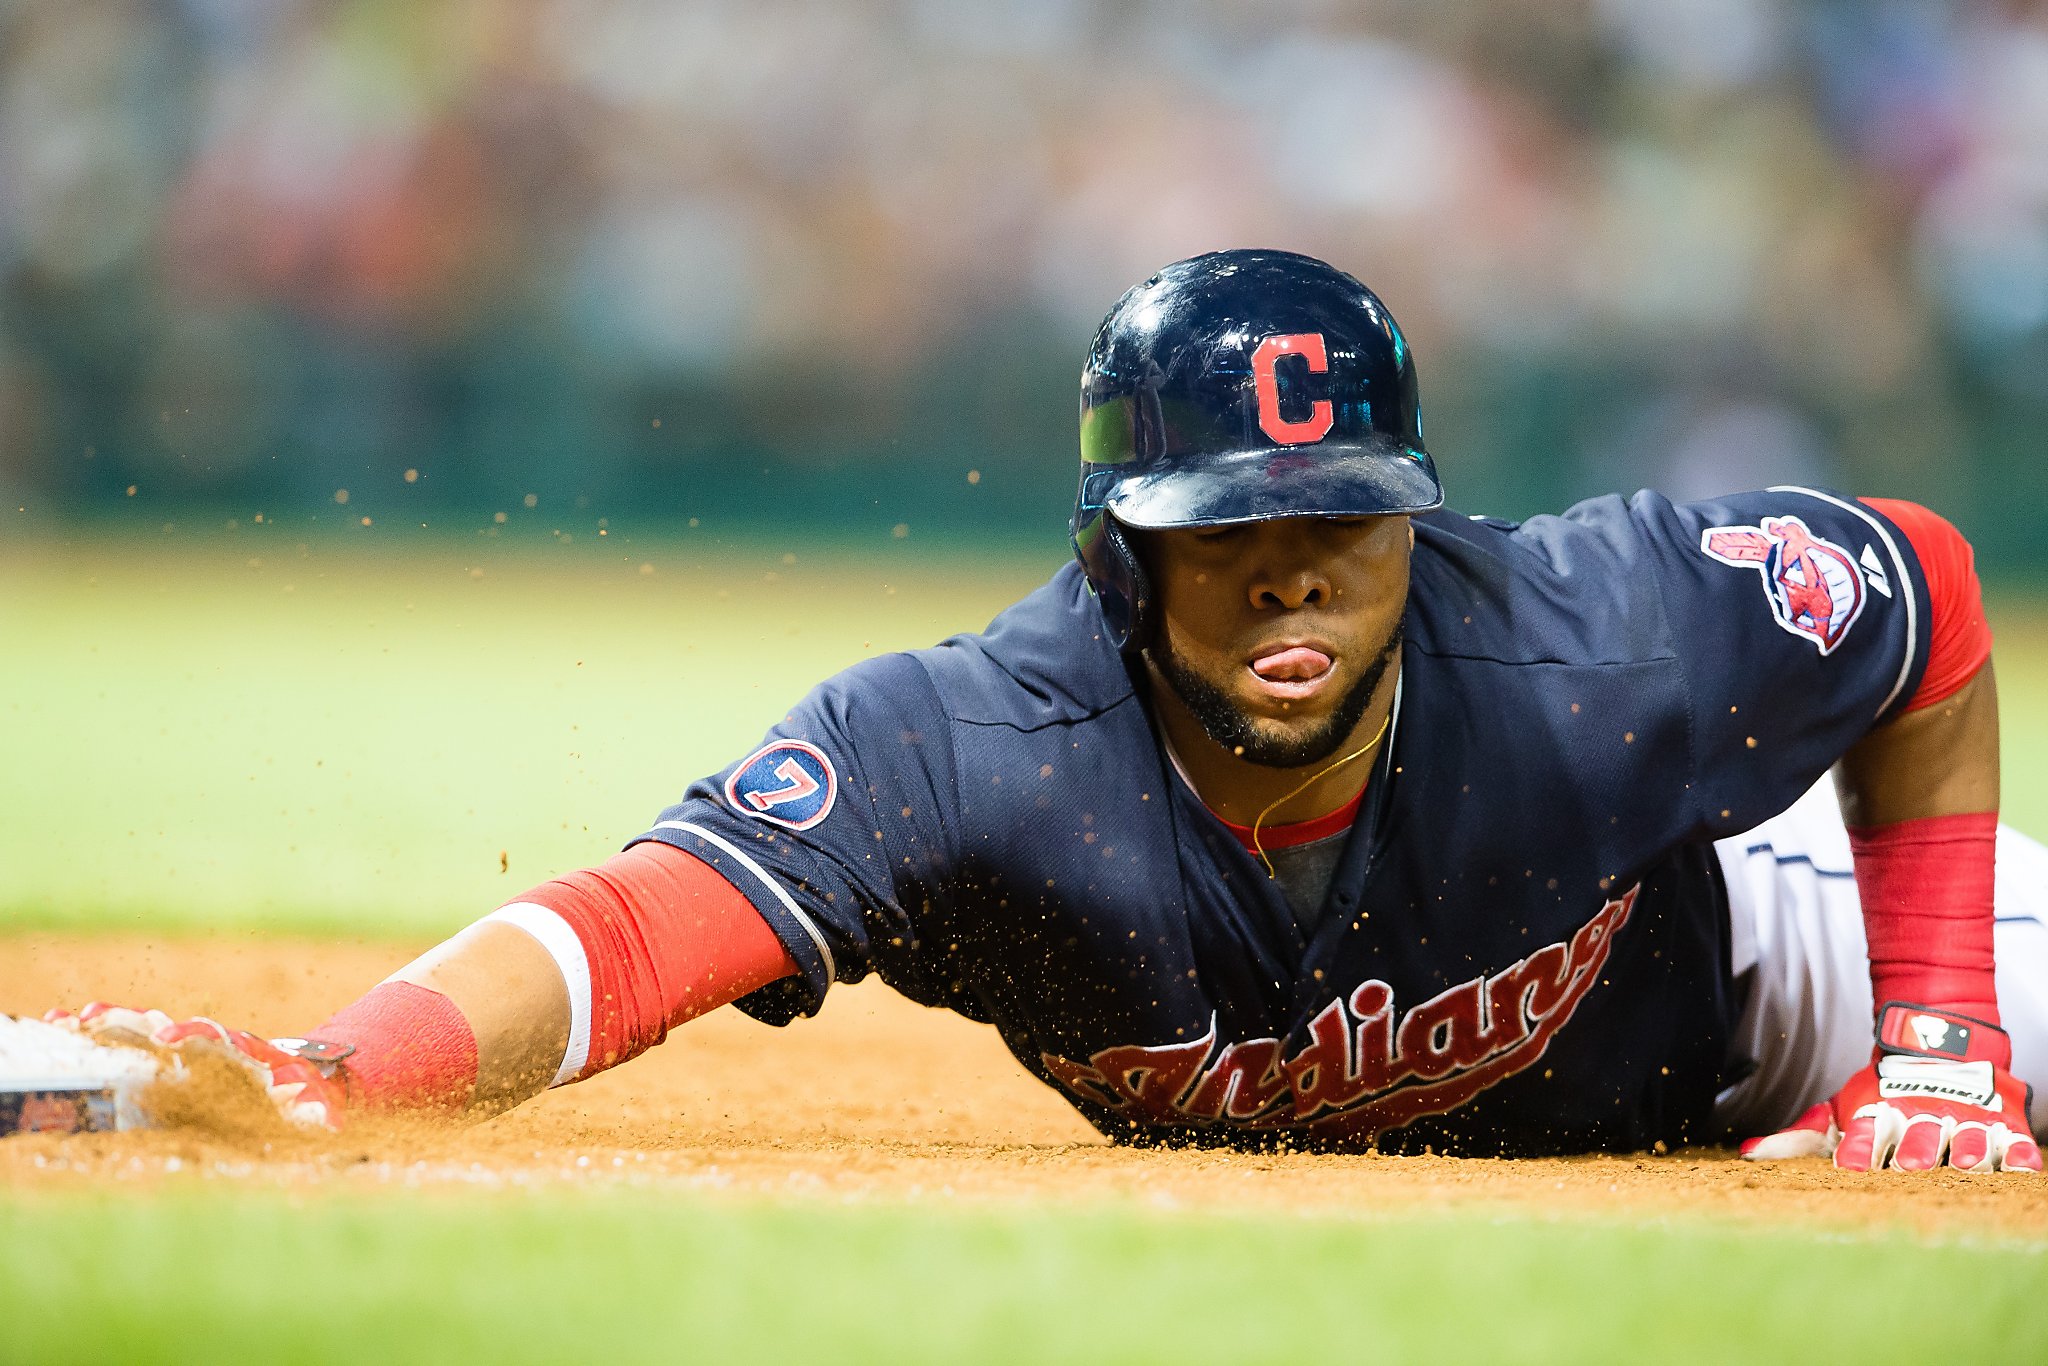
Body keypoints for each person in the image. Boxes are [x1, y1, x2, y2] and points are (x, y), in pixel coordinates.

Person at [57, 249, 2046, 1172]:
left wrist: (1939, 1035)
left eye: (1339, 516)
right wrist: (340, 1067)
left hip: (1782, 950)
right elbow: (639, 920)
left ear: (1411, 519)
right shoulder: (980, 745)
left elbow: (1928, 584)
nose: (1290, 564)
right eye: (1224, 525)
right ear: (1116, 548)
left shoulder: (1584, 637)